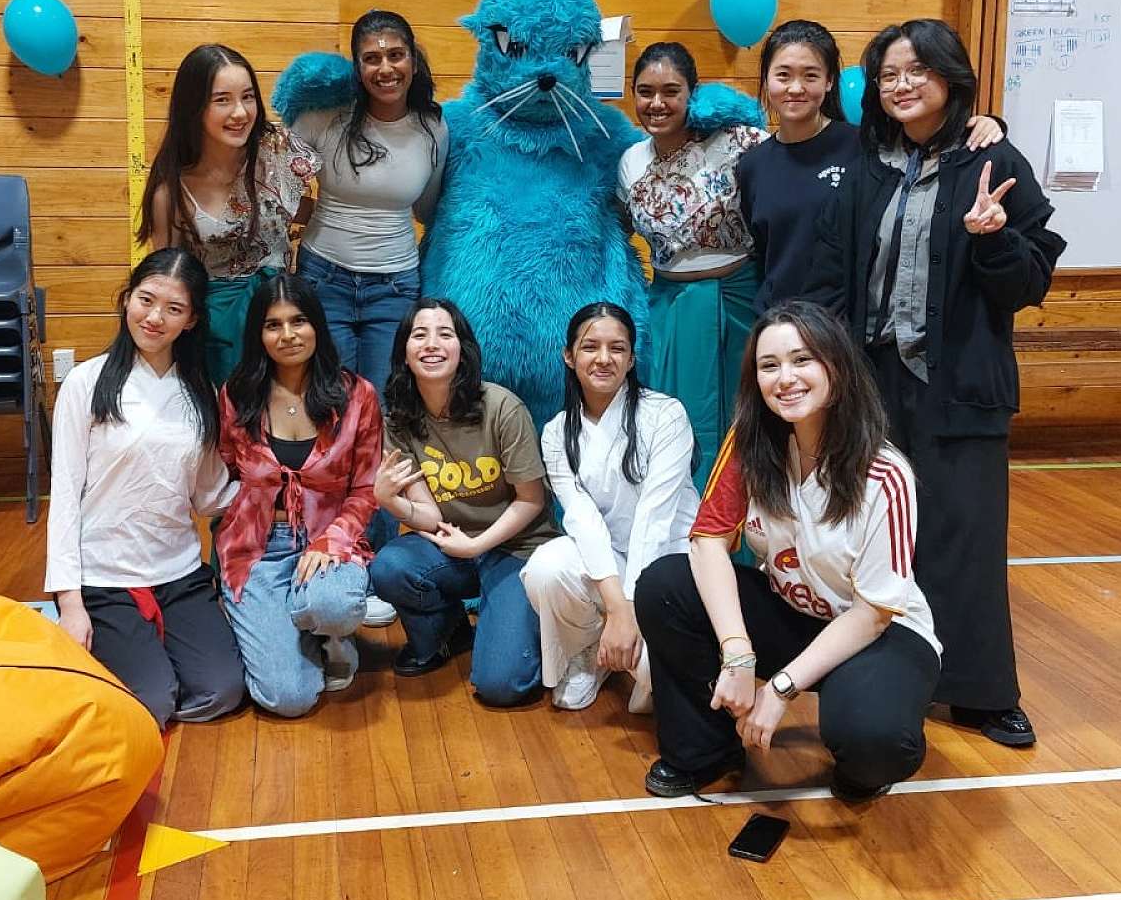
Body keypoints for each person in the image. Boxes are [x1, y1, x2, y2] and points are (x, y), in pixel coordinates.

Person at [807, 17, 1065, 749]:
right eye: (889, 74)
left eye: (917, 70)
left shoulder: (992, 156)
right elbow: (834, 270)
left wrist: (994, 237)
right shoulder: (868, 165)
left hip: (960, 385)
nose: (902, 85)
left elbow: (1029, 284)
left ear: (950, 77)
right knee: (877, 535)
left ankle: (982, 694)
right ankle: (883, 678)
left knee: (964, 537)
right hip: (873, 383)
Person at [634, 302, 941, 801]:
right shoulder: (752, 444)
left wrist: (779, 688)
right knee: (665, 585)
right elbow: (708, 542)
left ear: (836, 369)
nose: (785, 378)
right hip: (792, 613)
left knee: (876, 739)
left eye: (802, 360)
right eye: (769, 365)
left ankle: (863, 759)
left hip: (877, 632)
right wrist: (737, 653)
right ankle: (704, 751)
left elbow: (873, 615)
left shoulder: (885, 474)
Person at [45, 249, 244, 730]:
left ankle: (148, 656)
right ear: (127, 299)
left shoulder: (199, 393)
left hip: (177, 572)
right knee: (152, 702)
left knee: (222, 691)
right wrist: (70, 603)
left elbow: (209, 494)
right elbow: (65, 496)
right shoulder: (85, 383)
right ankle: (139, 662)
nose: (155, 318)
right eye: (146, 300)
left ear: (191, 320)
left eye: (173, 309)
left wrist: (283, 490)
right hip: (105, 576)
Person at [737, 19, 1006, 313]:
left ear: (830, 81)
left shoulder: (867, 147)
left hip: (846, 324)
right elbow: (761, 254)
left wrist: (990, 123)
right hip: (778, 321)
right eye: (783, 75)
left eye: (811, 75)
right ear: (767, 79)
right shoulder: (752, 164)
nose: (796, 87)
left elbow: (927, 134)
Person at [369, 299, 555, 706]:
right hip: (452, 545)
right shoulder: (399, 418)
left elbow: (531, 500)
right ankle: (447, 633)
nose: (431, 344)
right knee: (389, 567)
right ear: (404, 351)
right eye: (419, 335)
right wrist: (388, 500)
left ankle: (521, 623)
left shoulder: (502, 407)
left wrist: (476, 545)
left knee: (501, 685)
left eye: (445, 334)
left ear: (463, 349)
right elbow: (429, 514)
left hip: (515, 547)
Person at [214, 273, 382, 718]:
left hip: (330, 539)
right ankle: (284, 621)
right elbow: (226, 472)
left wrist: (333, 541)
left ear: (317, 326)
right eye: (273, 325)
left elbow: (366, 488)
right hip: (258, 548)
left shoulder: (357, 395)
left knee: (333, 605)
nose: (287, 335)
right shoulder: (237, 394)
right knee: (287, 699)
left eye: (298, 321)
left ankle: (331, 634)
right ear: (259, 334)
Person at [524, 303, 697, 711]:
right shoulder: (556, 433)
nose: (604, 358)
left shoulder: (666, 415)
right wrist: (619, 608)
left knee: (657, 677)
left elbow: (655, 521)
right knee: (546, 568)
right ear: (569, 356)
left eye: (617, 348)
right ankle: (591, 650)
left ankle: (635, 658)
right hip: (611, 560)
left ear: (632, 359)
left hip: (670, 561)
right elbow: (582, 521)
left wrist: (631, 607)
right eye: (590, 347)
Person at [616, 41, 765, 485]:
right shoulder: (630, 161)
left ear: (691, 94)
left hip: (738, 297)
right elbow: (619, 226)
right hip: (670, 305)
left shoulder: (737, 143)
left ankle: (738, 518)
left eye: (671, 91)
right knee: (675, 419)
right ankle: (683, 518)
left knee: (743, 413)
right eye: (645, 92)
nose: (656, 103)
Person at [287, 11, 447, 405]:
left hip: (395, 286)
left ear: (413, 61)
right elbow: (276, 179)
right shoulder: (323, 117)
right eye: (372, 59)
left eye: (396, 55)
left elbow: (427, 210)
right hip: (324, 277)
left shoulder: (434, 129)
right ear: (357, 69)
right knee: (331, 401)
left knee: (382, 404)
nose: (385, 68)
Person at [139, 44, 317, 389]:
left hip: (283, 317)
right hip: (217, 331)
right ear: (194, 107)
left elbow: (319, 207)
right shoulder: (171, 190)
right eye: (222, 100)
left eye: (248, 97)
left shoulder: (277, 148)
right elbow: (169, 278)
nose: (240, 112)